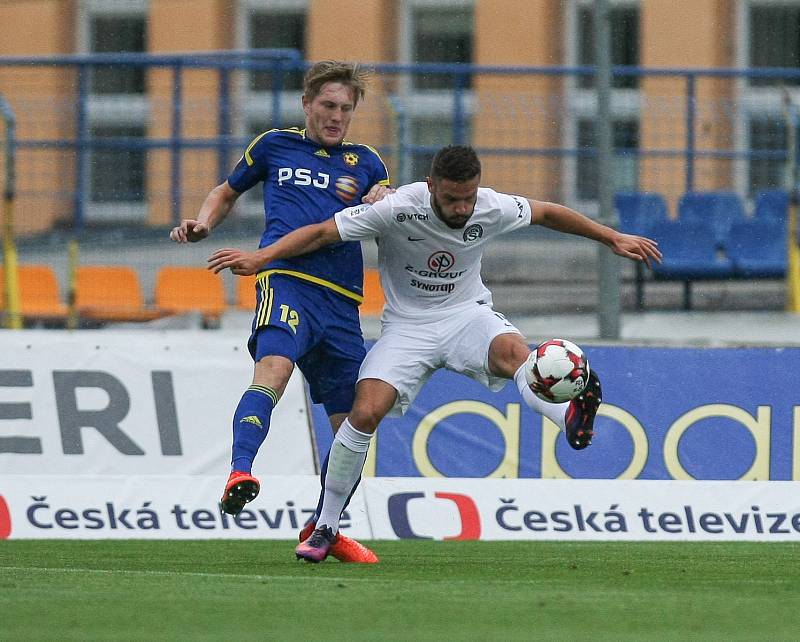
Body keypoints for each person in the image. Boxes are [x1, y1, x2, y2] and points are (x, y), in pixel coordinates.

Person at [207, 145, 663, 563]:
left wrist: (611, 238)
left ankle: (567, 417)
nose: (462, 209)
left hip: (466, 315)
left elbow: (548, 213)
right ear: (431, 188)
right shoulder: (397, 208)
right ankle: (325, 526)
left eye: (468, 198)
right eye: (452, 199)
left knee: (514, 352)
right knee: (362, 413)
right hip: (407, 327)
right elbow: (323, 232)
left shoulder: (491, 206)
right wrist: (262, 258)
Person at [170, 60, 393, 564]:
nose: (337, 117)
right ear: (307, 105)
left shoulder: (367, 163)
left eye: (346, 109)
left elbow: (386, 212)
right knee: (273, 371)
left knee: (353, 426)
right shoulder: (274, 144)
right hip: (284, 280)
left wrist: (384, 196)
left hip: (342, 302)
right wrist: (204, 223)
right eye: (329, 106)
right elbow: (226, 191)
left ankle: (324, 526)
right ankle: (240, 470)